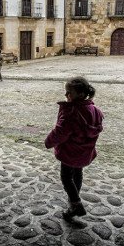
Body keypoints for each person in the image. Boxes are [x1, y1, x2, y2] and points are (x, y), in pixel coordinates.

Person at [45, 77, 104, 221]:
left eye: (69, 92)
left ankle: (75, 203)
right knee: (77, 174)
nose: (66, 95)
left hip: (70, 152)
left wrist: (48, 142)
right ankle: (74, 199)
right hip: (84, 152)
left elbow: (60, 131)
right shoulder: (95, 110)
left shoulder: (71, 113)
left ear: (81, 94)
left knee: (66, 177)